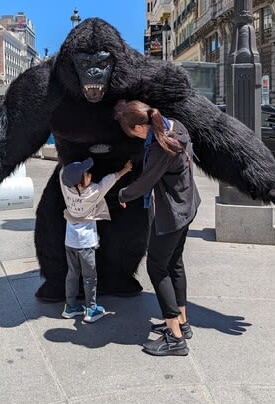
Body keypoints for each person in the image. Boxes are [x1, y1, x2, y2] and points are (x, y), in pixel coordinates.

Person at [114, 100, 201, 357]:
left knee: (157, 267)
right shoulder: (176, 126)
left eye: (134, 134)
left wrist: (122, 194)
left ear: (141, 127)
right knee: (174, 263)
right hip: (188, 205)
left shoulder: (161, 147)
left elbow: (145, 182)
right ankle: (182, 323)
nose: (136, 138)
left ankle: (175, 338)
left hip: (172, 213)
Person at [59, 156, 132, 323]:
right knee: (89, 277)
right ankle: (91, 309)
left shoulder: (66, 188)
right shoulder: (93, 192)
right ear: (79, 184)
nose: (90, 174)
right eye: (86, 174)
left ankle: (70, 307)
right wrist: (125, 169)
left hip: (70, 242)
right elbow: (109, 181)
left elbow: (63, 172)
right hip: (86, 244)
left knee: (72, 274)